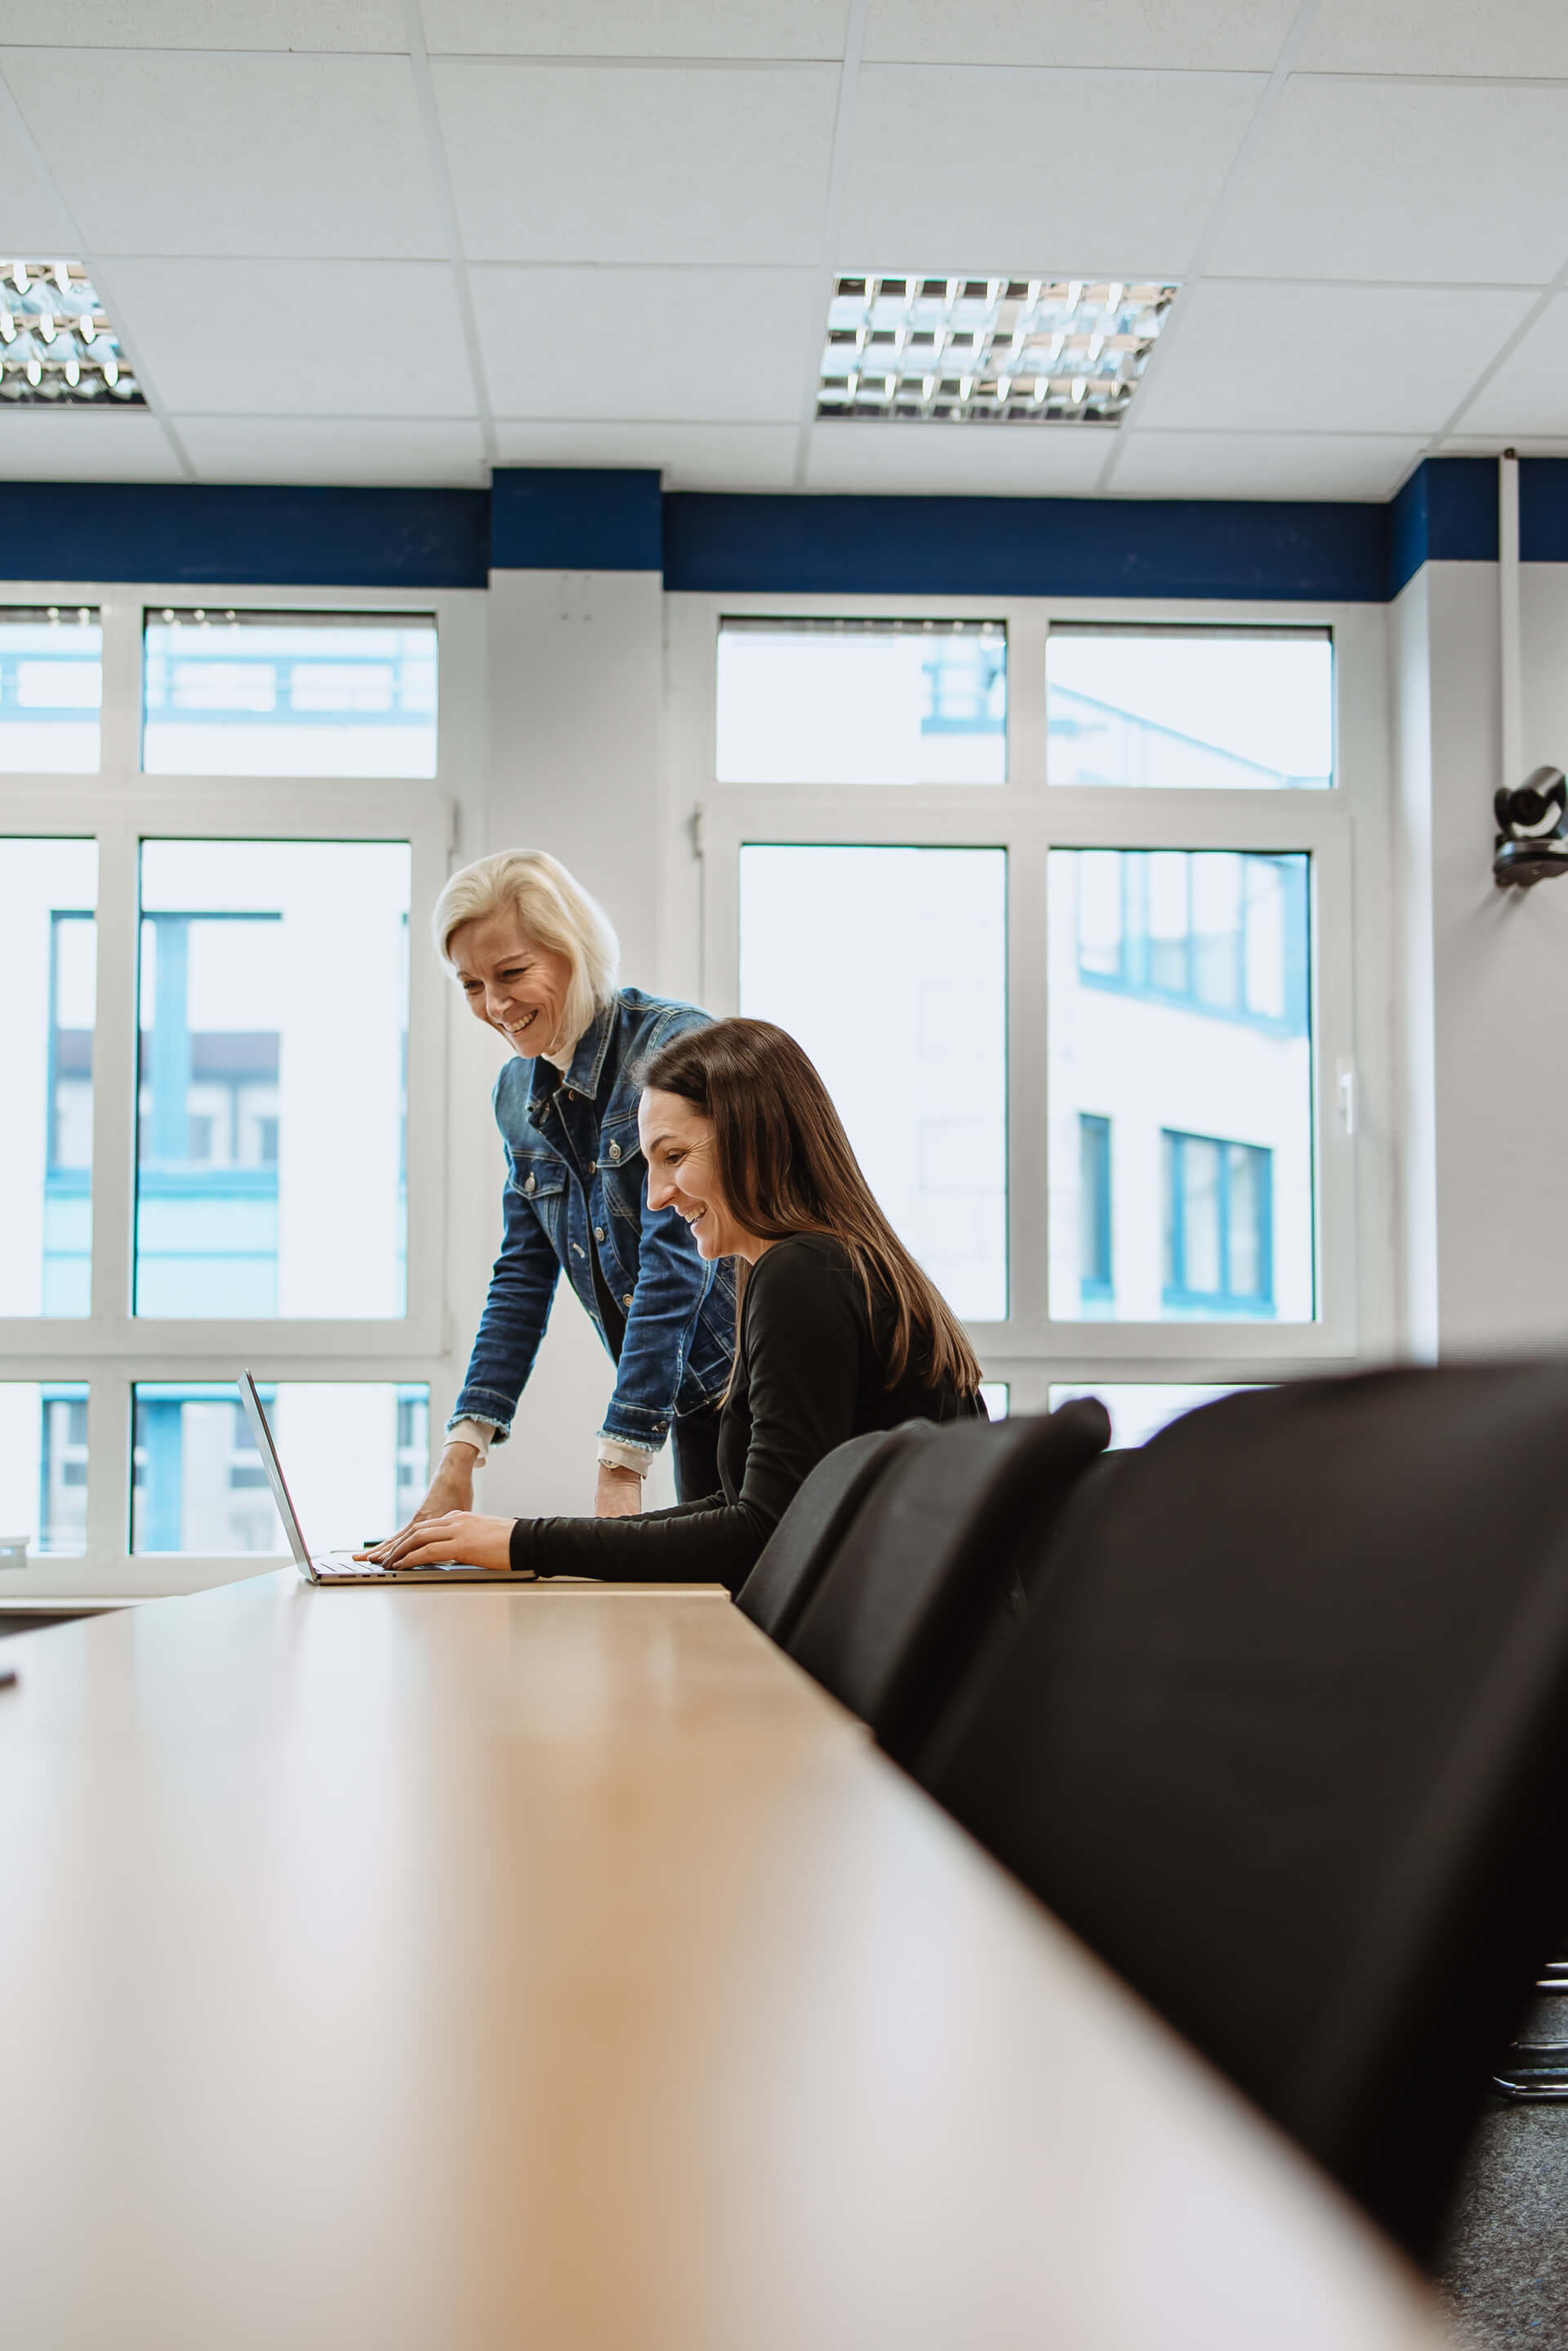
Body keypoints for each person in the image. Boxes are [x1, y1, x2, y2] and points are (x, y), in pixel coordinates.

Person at [368, 1018, 986, 1589]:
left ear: (756, 1138)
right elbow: (745, 1506)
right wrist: (526, 1537)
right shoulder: (812, 1265)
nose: (657, 1198)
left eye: (674, 1157)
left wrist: (523, 1542)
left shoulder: (803, 1275)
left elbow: (760, 1533)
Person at [398, 849, 736, 1533]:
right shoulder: (516, 1095)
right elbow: (522, 1273)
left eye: (512, 972)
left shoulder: (670, 1048)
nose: (494, 1006)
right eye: (469, 984)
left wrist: (621, 1462)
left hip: (757, 1377)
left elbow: (676, 1263)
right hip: (691, 1398)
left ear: (573, 951)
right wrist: (462, 1450)